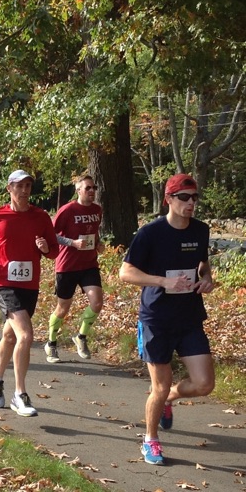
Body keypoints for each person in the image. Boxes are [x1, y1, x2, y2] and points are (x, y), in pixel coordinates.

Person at [119, 174, 215, 467]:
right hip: (156, 319)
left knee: (204, 384)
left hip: (188, 316)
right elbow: (125, 273)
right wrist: (161, 281)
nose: (190, 203)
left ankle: (169, 400)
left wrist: (206, 279)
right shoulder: (150, 233)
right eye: (184, 197)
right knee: (159, 386)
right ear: (169, 199)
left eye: (194, 198)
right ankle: (150, 440)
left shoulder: (200, 230)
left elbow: (203, 263)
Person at [0, 170, 58, 417]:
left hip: (29, 284)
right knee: (26, 335)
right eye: (19, 186)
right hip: (3, 283)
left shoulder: (41, 217)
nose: (24, 190)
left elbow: (53, 250)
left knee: (10, 337)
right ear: (9, 188)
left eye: (28, 185)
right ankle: (19, 394)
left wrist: (44, 248)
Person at [45, 174, 105, 363]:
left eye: (93, 188)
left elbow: (93, 232)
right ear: (78, 190)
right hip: (67, 265)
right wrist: (72, 243)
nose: (92, 191)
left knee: (97, 302)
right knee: (63, 308)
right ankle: (51, 343)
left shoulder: (97, 209)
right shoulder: (67, 210)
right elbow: (51, 235)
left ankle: (81, 337)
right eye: (87, 188)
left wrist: (98, 243)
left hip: (89, 264)